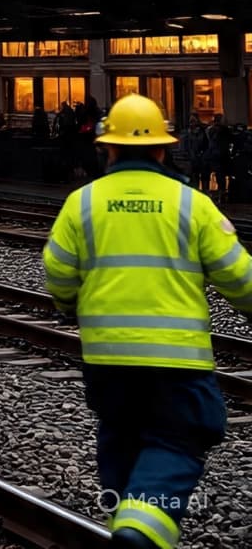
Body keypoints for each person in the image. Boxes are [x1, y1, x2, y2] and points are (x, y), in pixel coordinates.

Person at [44, 94, 252, 549]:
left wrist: (68, 306)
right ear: (162, 149)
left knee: (121, 437)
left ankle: (127, 524)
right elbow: (242, 279)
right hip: (179, 363)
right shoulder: (191, 204)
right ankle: (140, 532)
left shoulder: (82, 203)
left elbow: (58, 272)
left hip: (107, 360)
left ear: (109, 148)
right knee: (181, 438)